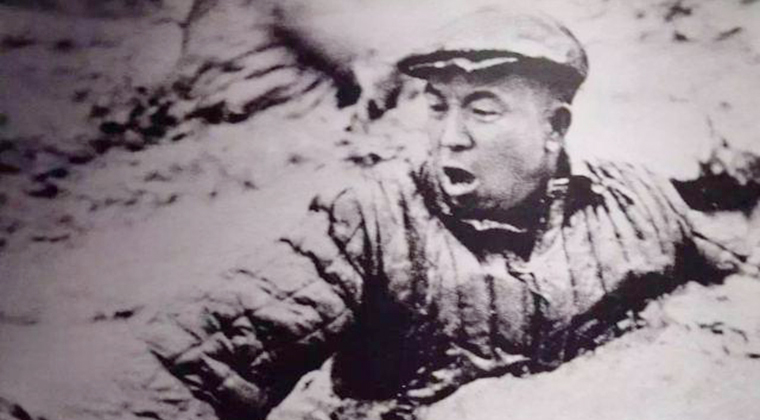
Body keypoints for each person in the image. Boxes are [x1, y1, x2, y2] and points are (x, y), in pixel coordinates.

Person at [142, 8, 748, 420]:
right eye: (437, 107)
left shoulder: (635, 204)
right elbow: (197, 365)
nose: (449, 136)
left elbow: (739, 293)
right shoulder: (371, 220)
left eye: (482, 111)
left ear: (555, 127)